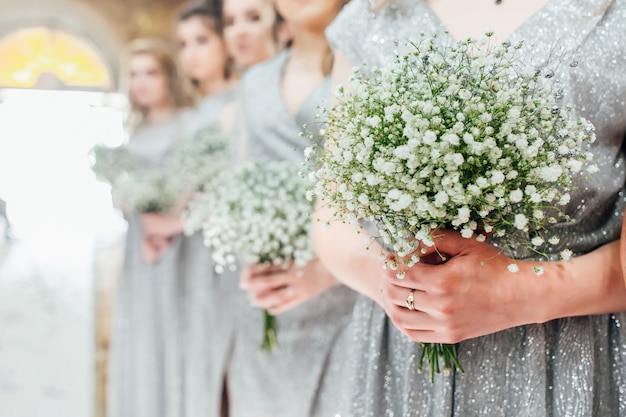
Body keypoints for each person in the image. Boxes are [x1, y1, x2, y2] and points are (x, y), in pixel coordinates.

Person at [314, 0, 626, 415]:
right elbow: (332, 216)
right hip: (403, 353)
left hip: (565, 353)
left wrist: (518, 291)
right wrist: (407, 290)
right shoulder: (372, 14)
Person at [225, 1, 357, 416]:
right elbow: (242, 177)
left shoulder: (372, 64)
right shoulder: (255, 80)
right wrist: (252, 246)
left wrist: (329, 269)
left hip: (354, 301)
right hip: (272, 300)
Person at [106, 38, 193, 417]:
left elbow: (194, 185)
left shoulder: (191, 123)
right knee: (139, 329)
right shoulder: (136, 128)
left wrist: (167, 222)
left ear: (168, 76)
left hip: (177, 245)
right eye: (135, 74)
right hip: (138, 244)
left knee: (172, 329)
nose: (141, 82)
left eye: (150, 73)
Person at [175, 3, 239, 416]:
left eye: (202, 40)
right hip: (196, 249)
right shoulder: (197, 109)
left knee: (231, 353)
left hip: (231, 245)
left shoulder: (242, 102)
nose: (191, 54)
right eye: (183, 44)